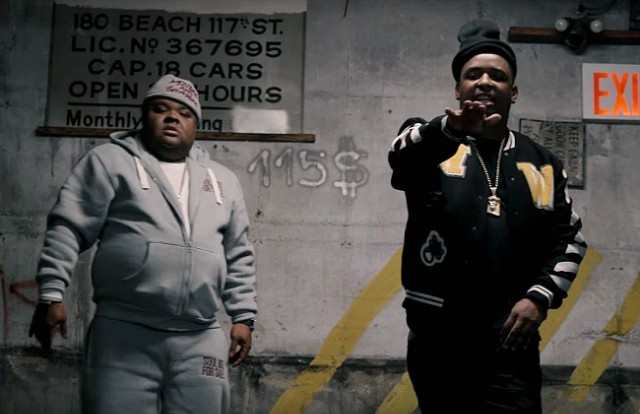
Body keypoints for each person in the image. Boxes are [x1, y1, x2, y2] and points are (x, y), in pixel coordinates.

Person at [388, 20, 587, 413]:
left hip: (511, 341)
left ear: (513, 92)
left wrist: (539, 297)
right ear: (457, 89)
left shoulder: (542, 163)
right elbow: (402, 157)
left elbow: (570, 240)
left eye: (497, 76)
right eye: (473, 74)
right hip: (438, 339)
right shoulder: (429, 139)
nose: (484, 82)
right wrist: (451, 129)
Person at [28, 74, 257, 414]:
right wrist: (51, 294)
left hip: (201, 335)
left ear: (196, 125)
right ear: (144, 116)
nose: (172, 117)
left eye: (184, 113)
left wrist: (244, 317)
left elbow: (238, 252)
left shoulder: (223, 180)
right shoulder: (109, 161)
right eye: (160, 109)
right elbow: (68, 227)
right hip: (123, 331)